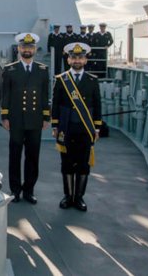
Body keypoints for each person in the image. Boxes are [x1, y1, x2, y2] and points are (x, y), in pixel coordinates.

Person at [1, 33, 50, 204]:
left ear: (34, 49)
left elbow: (45, 95)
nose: (27, 50)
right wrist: (5, 116)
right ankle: (15, 190)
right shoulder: (10, 69)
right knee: (14, 156)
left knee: (32, 156)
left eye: (30, 47)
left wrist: (46, 117)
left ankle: (29, 190)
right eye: (24, 47)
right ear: (19, 49)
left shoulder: (42, 70)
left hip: (35, 120)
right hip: (16, 119)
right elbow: (5, 95)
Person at [52, 42, 102, 212]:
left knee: (83, 164)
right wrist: (55, 125)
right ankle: (68, 196)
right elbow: (56, 105)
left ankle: (79, 197)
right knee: (66, 163)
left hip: (85, 129)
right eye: (74, 57)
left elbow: (97, 105)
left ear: (86, 60)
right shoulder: (61, 80)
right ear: (68, 60)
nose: (77, 61)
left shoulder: (92, 81)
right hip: (66, 127)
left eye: (80, 57)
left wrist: (96, 128)